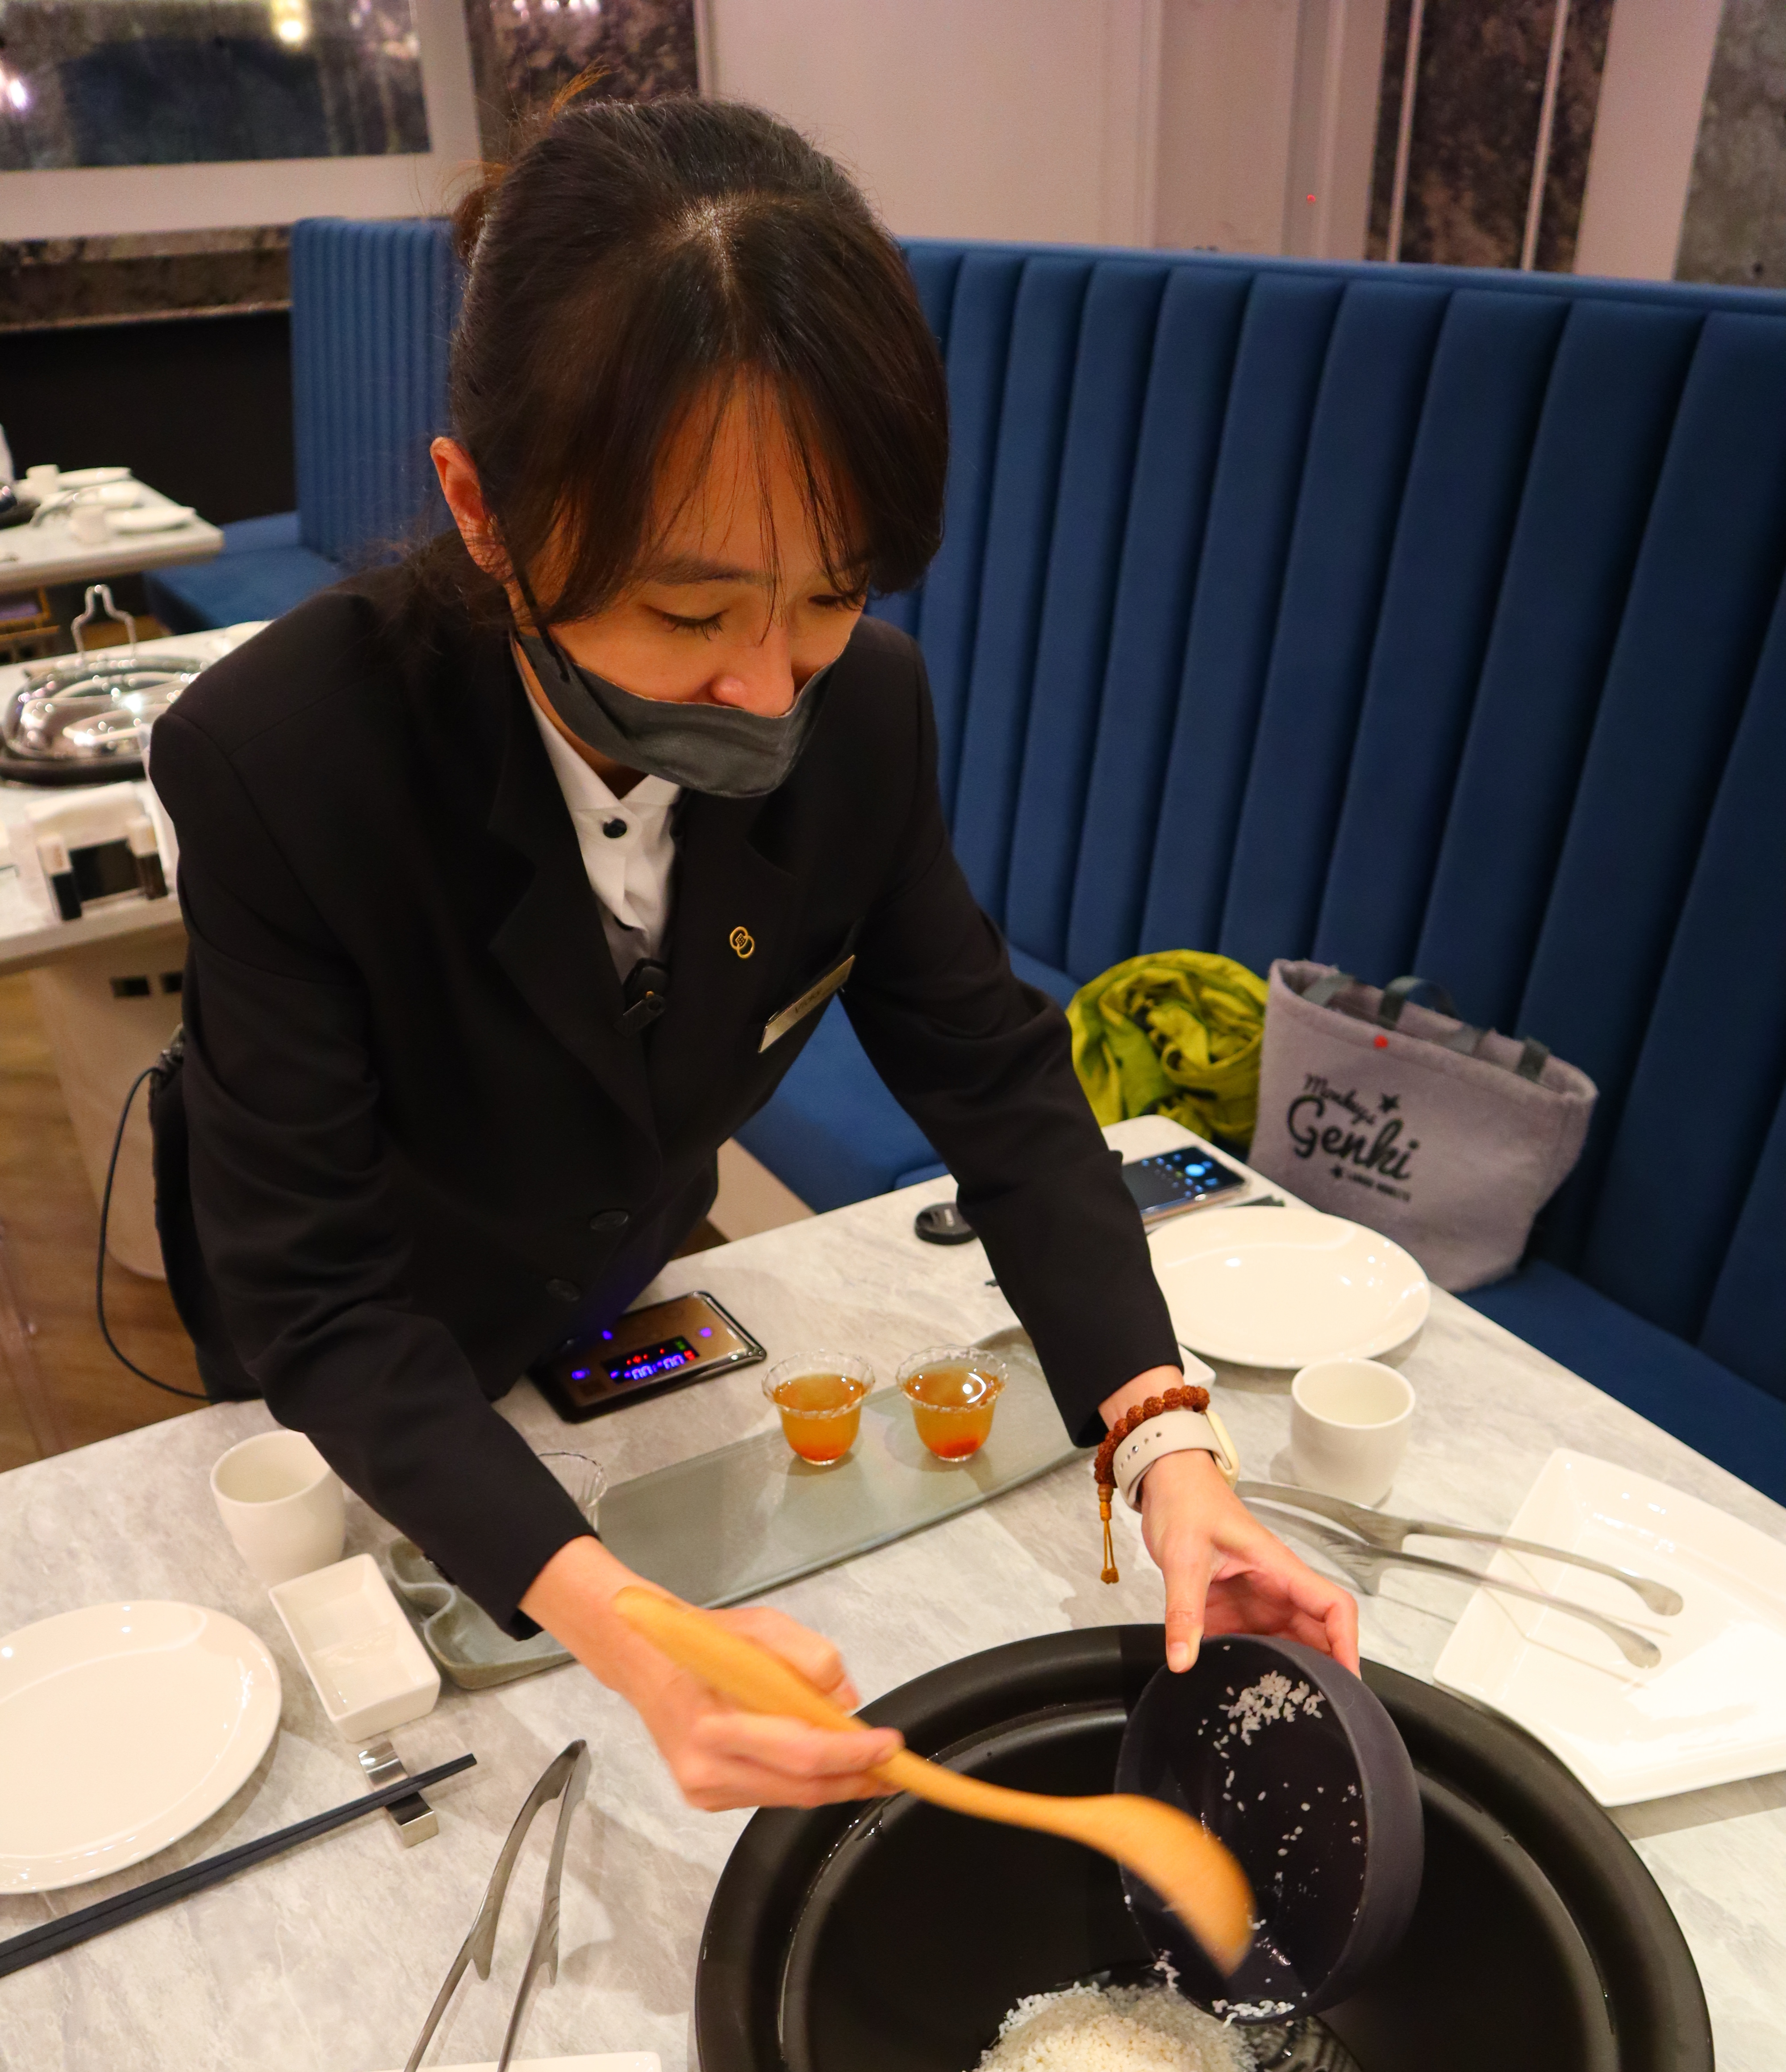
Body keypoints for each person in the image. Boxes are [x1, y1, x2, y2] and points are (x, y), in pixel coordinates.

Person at [150, 92, 1356, 1815]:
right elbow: (319, 1299)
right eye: (694, 612)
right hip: (367, 1371)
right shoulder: (283, 763)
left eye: (831, 591)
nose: (771, 684)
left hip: (615, 1306)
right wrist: (624, 1621)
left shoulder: (868, 714)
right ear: (483, 510)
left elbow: (999, 1084)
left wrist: (1166, 1443)